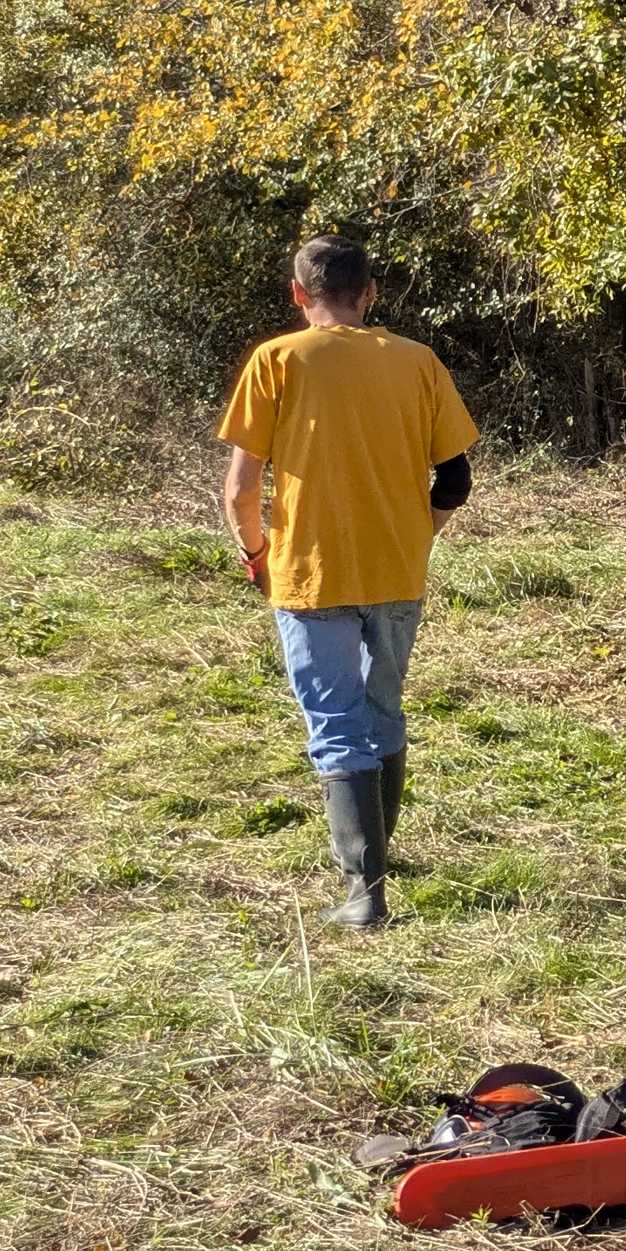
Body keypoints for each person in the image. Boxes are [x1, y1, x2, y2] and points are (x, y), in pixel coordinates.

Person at [216, 236, 479, 931]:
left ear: (298, 294)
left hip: (310, 572)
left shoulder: (276, 361)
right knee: (382, 712)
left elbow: (241, 490)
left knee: (337, 727)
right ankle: (378, 860)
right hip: (397, 569)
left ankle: (365, 893)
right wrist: (416, 534)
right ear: (371, 292)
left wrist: (255, 556)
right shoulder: (418, 362)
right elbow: (455, 477)